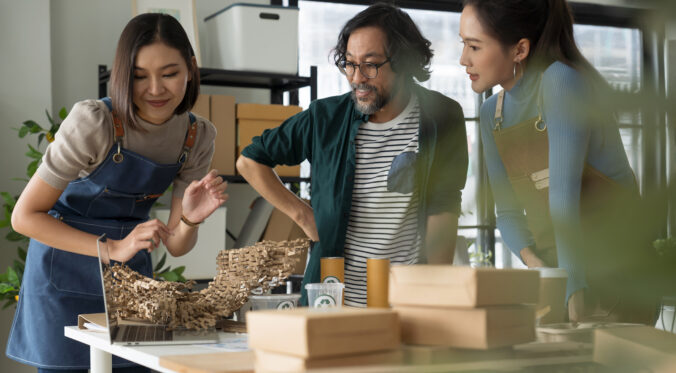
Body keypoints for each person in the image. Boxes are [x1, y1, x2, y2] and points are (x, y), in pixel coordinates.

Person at [6, 13, 227, 373]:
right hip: (62, 275)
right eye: (139, 76)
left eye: (169, 74)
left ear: (191, 68)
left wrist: (188, 219)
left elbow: (176, 244)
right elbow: (24, 217)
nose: (155, 89)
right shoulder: (94, 122)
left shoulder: (196, 136)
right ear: (123, 73)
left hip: (131, 281)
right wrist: (111, 249)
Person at [237, 3, 468, 307]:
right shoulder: (325, 118)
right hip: (332, 302)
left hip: (408, 302)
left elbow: (443, 206)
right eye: (349, 63)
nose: (357, 77)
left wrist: (434, 295)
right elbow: (250, 160)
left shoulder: (443, 116)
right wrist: (302, 214)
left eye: (370, 64)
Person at [459, 0, 659, 323]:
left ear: (519, 49)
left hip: (619, 279)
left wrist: (574, 291)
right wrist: (541, 269)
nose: (463, 59)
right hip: (567, 276)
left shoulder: (560, 81)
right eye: (462, 44)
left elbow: (563, 200)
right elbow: (507, 214)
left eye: (474, 46)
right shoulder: (490, 115)